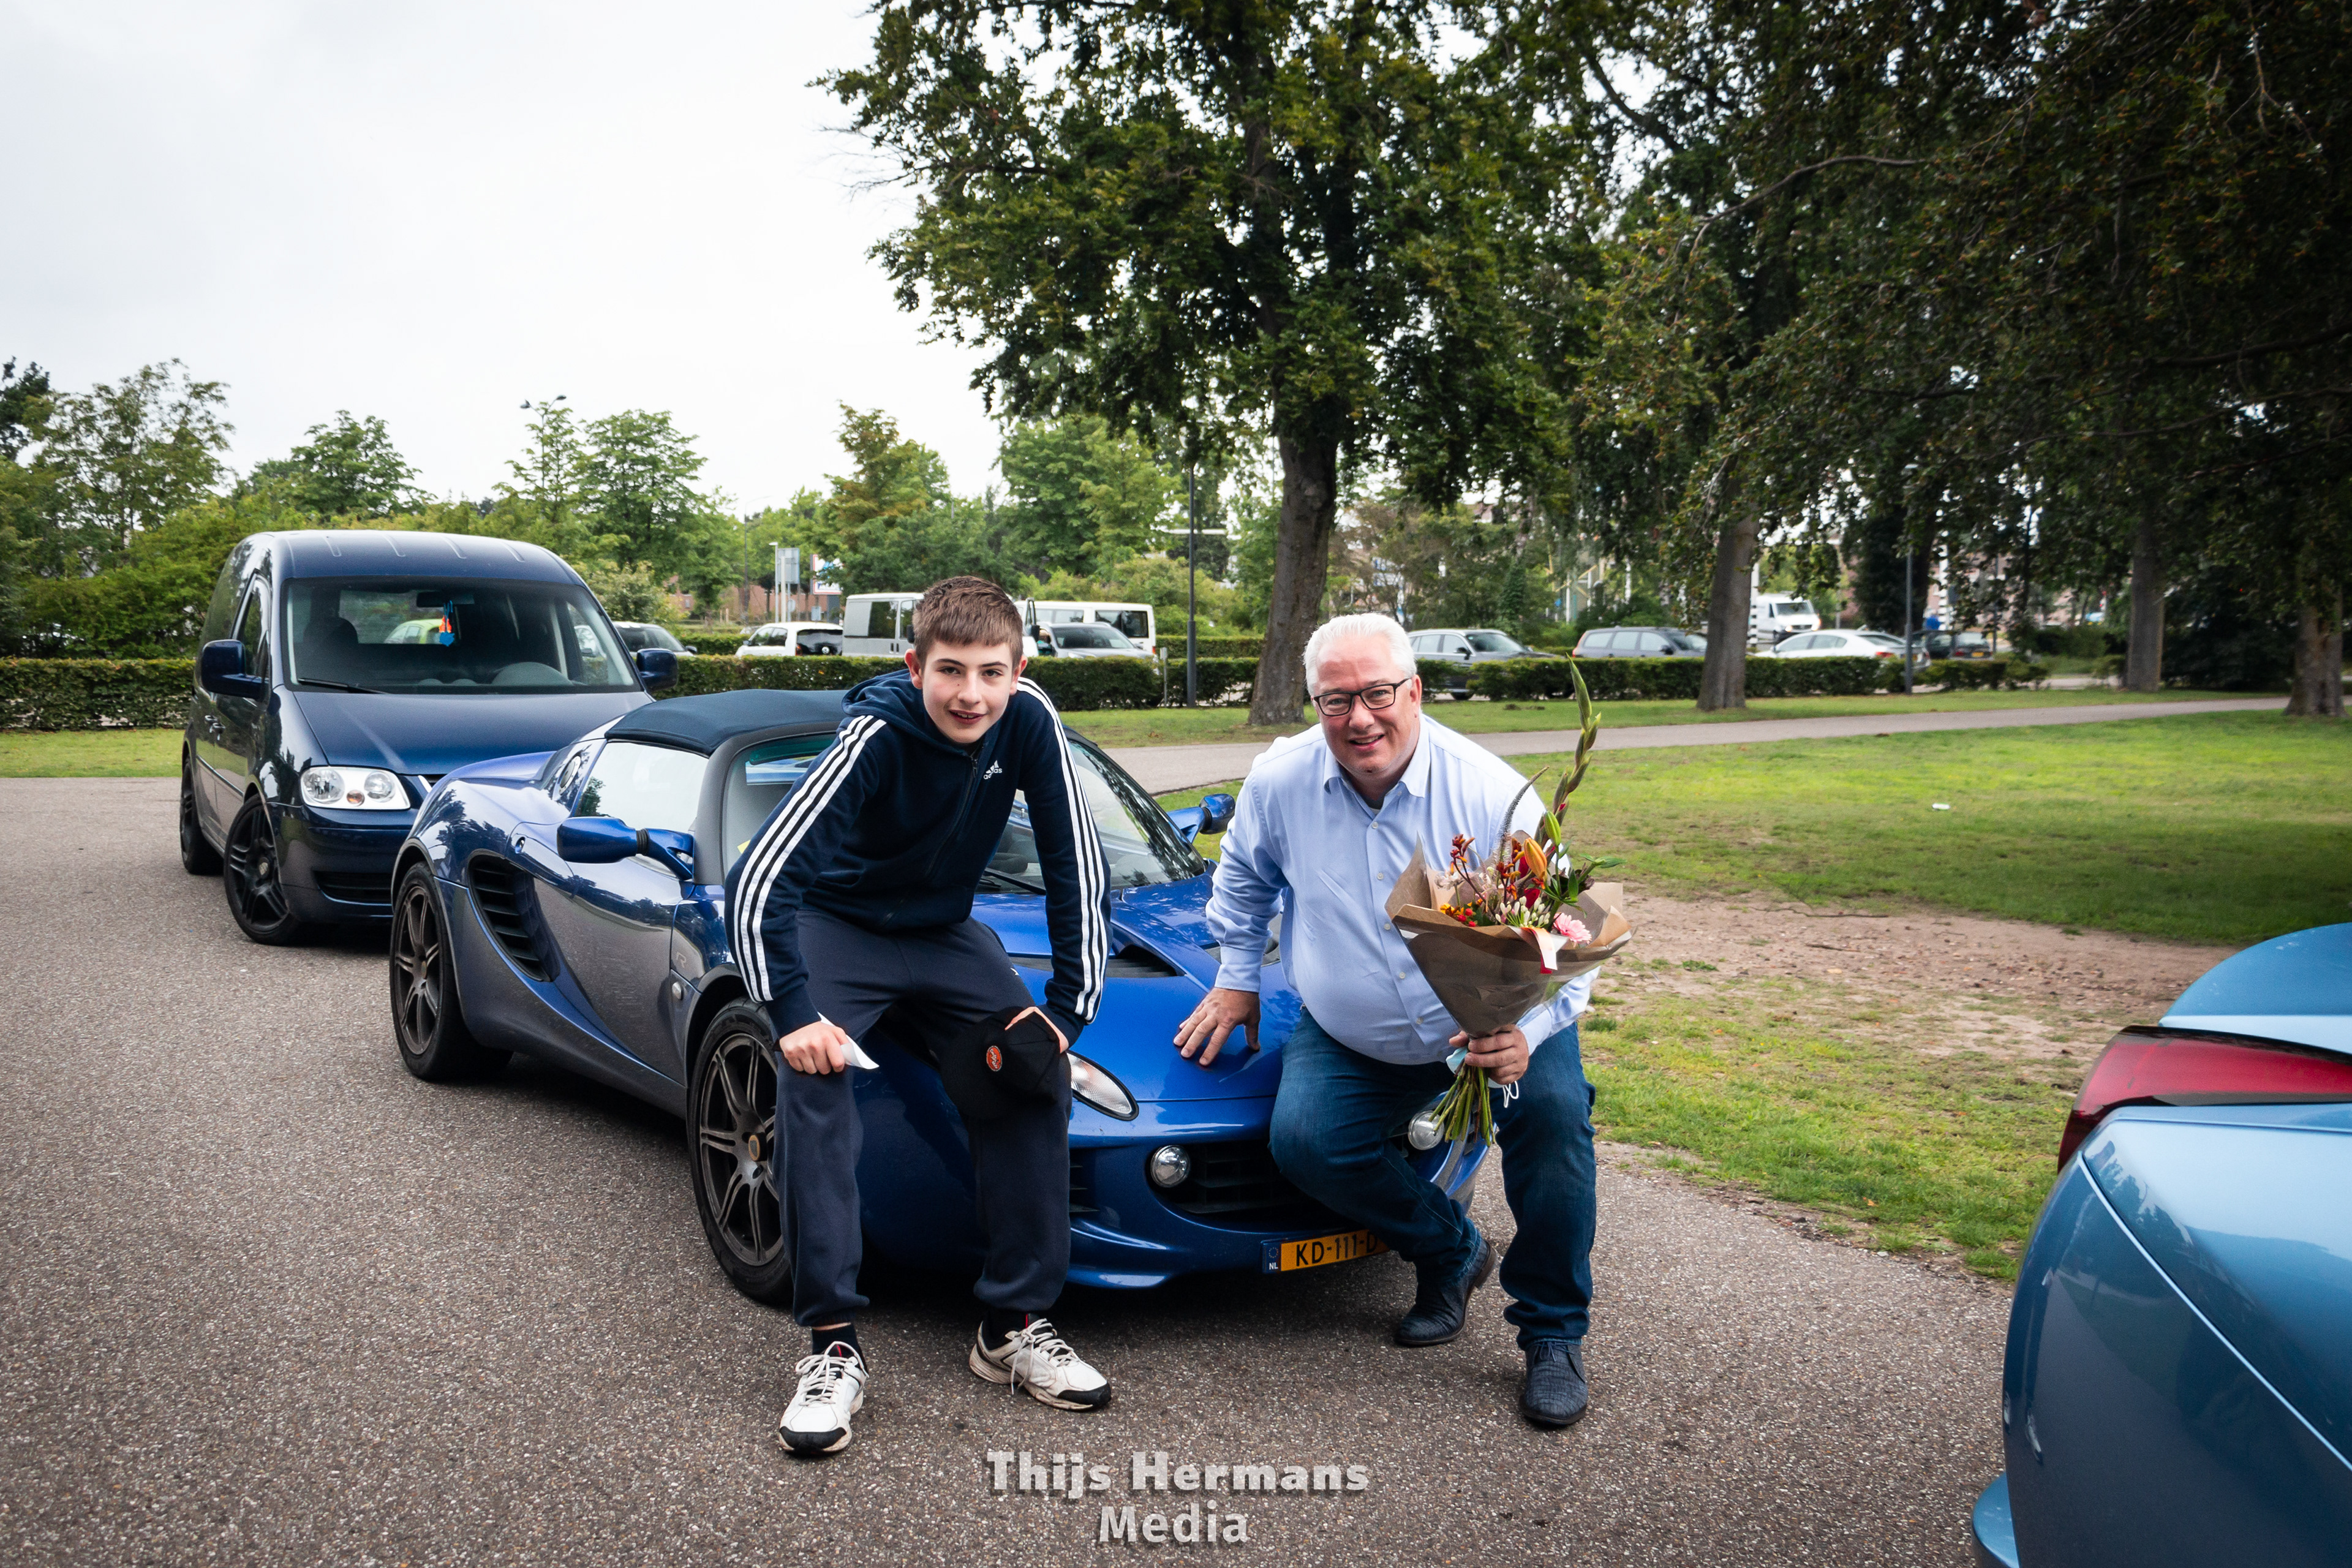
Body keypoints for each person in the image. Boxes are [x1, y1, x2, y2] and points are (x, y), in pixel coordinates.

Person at [1171, 612, 1602, 1428]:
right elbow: (1243, 878)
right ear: (1315, 704)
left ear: (1416, 691)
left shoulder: (1492, 792)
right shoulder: (1280, 782)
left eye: (1378, 694)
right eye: (1336, 700)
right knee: (1308, 1142)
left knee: (1553, 1128)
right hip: (1354, 1030)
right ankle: (1452, 1250)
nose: (1359, 718)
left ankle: (1551, 1332)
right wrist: (1236, 979)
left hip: (1494, 1029)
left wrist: (1528, 1033)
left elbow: (1567, 935)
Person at [726, 576, 1114, 1456]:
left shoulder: (1030, 721)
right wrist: (793, 1013)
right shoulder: (874, 736)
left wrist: (1066, 1011)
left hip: (942, 934)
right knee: (815, 1079)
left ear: (1020, 670)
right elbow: (759, 880)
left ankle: (1012, 1325)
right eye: (950, 671)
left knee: (1033, 1074)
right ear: (914, 666)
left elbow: (1075, 862)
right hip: (838, 926)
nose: (971, 694)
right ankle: (831, 1346)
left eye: (991, 672)